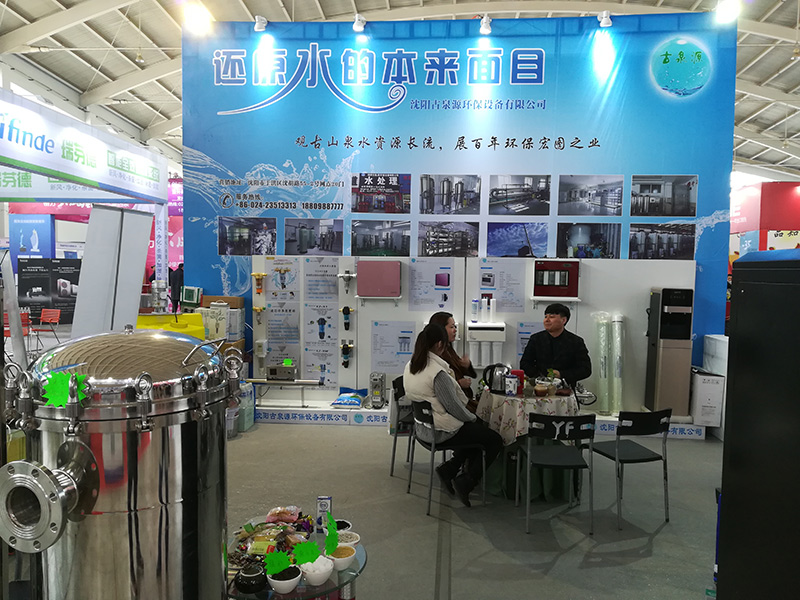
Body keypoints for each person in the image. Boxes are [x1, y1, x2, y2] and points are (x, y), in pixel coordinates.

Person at [403, 324, 503, 507]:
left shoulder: (411, 365)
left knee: (476, 433)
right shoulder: (437, 373)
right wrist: (473, 418)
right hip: (440, 431)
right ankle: (467, 481)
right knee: (493, 439)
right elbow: (453, 407)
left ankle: (449, 469)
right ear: (440, 344)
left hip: (422, 427)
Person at [520, 303, 591, 388]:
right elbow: (524, 363)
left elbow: (585, 369)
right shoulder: (536, 339)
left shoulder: (576, 342)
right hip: (539, 387)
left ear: (563, 320)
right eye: (545, 317)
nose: (547, 320)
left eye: (551, 317)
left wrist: (561, 374)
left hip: (565, 389)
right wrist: (541, 376)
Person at [428, 311, 478, 412]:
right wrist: (459, 383)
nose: (455, 330)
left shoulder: (448, 348)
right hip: (453, 404)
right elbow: (438, 385)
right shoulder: (436, 354)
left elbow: (456, 370)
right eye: (451, 327)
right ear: (441, 329)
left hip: (461, 398)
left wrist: (466, 365)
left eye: (455, 326)